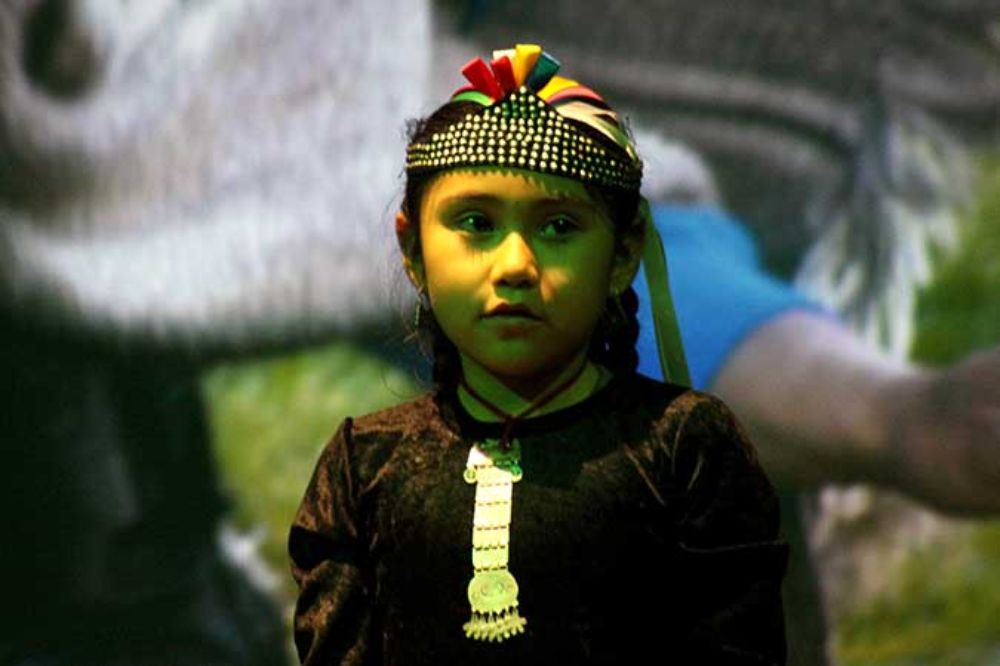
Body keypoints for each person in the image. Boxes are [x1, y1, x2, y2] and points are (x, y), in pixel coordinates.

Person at [289, 44, 788, 665]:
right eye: (475, 223)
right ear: (413, 251)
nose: (517, 265)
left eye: (558, 227)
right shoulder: (364, 467)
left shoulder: (682, 445)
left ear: (624, 253)